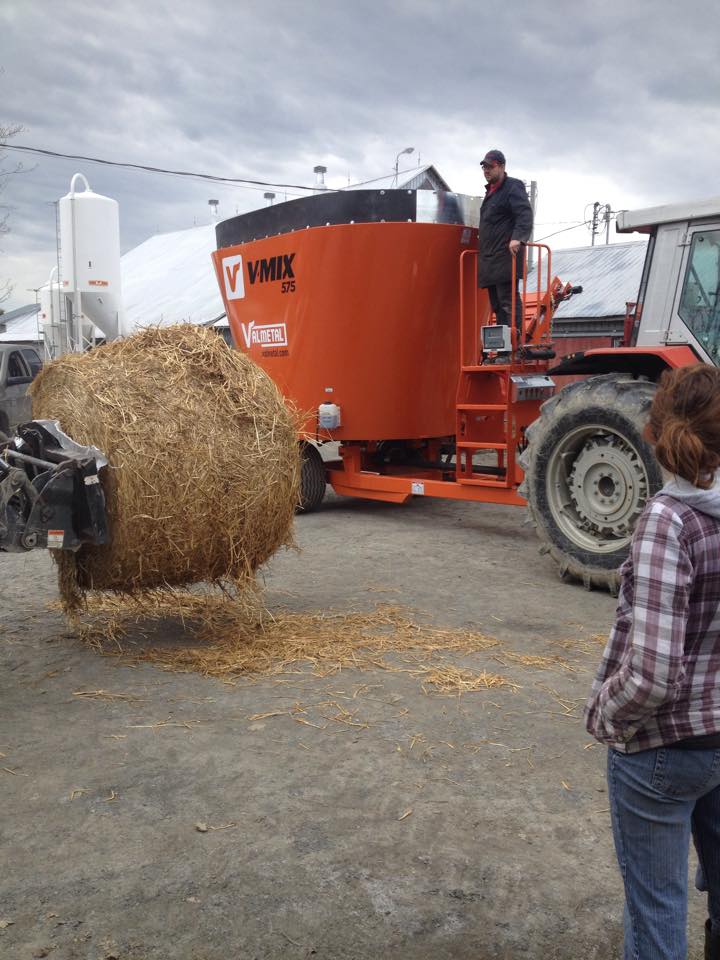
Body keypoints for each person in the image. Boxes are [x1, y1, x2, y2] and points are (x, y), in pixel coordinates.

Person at [585, 363, 720, 960]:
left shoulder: (668, 520)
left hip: (663, 752)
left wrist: (606, 717)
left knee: (657, 907)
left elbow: (653, 673)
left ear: (657, 431)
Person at [476, 149, 533, 359]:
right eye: (484, 167)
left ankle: (514, 347)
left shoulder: (512, 187)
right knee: (497, 304)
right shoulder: (490, 192)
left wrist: (518, 237)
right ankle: (502, 348)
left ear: (501, 166)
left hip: (506, 256)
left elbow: (524, 214)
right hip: (490, 259)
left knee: (508, 301)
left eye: (489, 167)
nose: (486, 171)